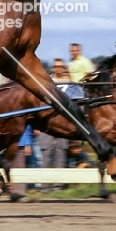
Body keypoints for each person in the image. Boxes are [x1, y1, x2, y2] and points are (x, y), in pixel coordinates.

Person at [39, 58, 71, 191]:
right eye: (55, 66)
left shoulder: (70, 84)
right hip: (47, 123)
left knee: (60, 154)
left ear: (63, 68)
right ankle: (45, 186)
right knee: (46, 154)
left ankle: (58, 185)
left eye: (60, 66)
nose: (58, 68)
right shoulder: (46, 82)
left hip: (63, 123)